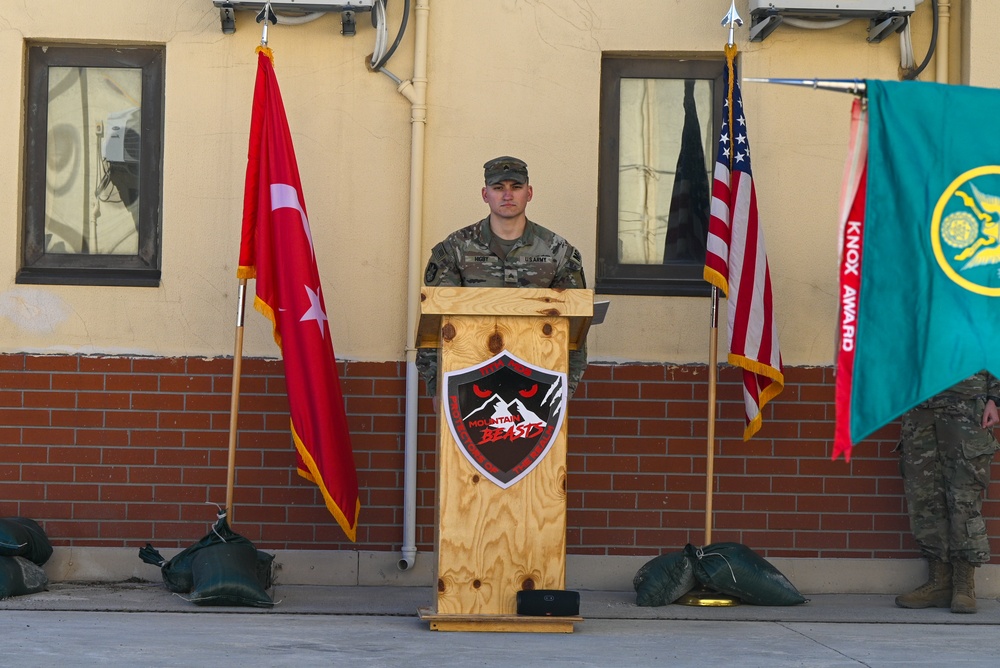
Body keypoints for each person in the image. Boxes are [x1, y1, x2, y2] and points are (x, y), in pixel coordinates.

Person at [416, 155, 587, 396]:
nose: (508, 195)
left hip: (537, 380)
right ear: (486, 194)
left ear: (529, 193)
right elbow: (436, 322)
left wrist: (565, 391)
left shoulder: (558, 252)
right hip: (468, 381)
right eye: (498, 188)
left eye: (516, 187)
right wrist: (436, 389)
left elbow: (574, 329)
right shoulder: (455, 249)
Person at [894, 370, 1000, 613]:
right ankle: (938, 582)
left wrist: (994, 399)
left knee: (963, 494)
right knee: (924, 495)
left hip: (966, 400)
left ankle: (964, 585)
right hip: (919, 404)